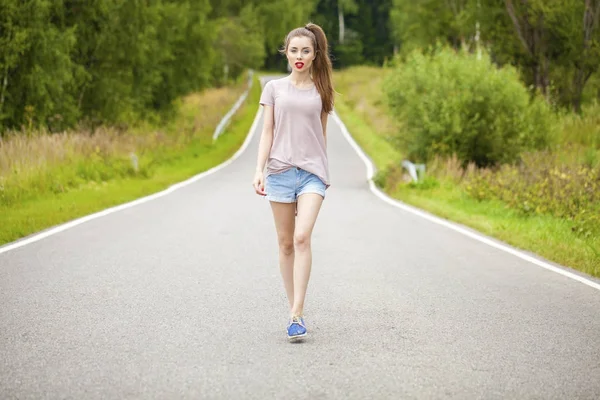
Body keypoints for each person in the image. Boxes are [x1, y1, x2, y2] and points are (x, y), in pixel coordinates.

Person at [252, 22, 334, 341]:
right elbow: (267, 132)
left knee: (302, 238)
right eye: (294, 50)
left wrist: (323, 171)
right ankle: (294, 310)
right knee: (286, 243)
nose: (299, 56)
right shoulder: (273, 88)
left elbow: (322, 135)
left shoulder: (322, 90)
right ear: (286, 52)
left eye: (306, 51)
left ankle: (296, 314)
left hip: (313, 174)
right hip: (280, 173)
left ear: (314, 55)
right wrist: (259, 170)